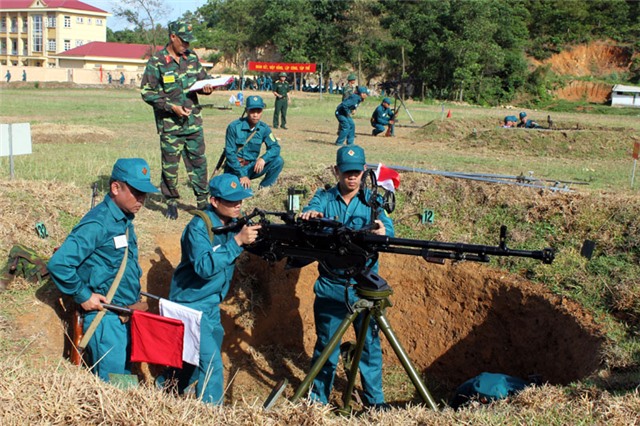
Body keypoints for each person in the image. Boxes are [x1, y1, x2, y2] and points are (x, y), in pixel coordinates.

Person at [47, 158, 159, 382]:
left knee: (125, 381)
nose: (142, 200)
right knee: (115, 390)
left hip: (126, 315)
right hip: (106, 321)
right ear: (116, 188)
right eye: (136, 192)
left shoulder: (124, 219)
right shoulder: (99, 223)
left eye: (144, 194)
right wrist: (83, 295)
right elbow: (59, 263)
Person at [300, 145, 393, 409]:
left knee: (370, 349)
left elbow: (390, 231)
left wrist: (383, 231)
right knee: (326, 349)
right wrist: (311, 216)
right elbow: (310, 210)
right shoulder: (324, 198)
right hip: (331, 286)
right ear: (336, 171)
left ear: (364, 172)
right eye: (346, 172)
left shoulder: (373, 202)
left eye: (356, 172)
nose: (351, 178)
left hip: (363, 287)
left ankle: (375, 401)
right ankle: (317, 403)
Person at [168, 173, 260, 404]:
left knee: (193, 362)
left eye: (240, 199)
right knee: (211, 365)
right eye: (231, 201)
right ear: (214, 201)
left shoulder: (231, 223)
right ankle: (209, 414)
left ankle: (166, 391)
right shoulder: (199, 227)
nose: (238, 204)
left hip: (210, 303)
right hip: (190, 304)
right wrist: (237, 241)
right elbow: (204, 267)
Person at [141, 20, 214, 220]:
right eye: (183, 41)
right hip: (170, 125)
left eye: (189, 42)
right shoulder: (157, 62)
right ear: (172, 37)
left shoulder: (192, 58)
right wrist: (171, 107)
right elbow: (147, 92)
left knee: (199, 163)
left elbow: (202, 80)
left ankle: (202, 202)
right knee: (170, 167)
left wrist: (208, 87)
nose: (187, 45)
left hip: (193, 122)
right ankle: (171, 201)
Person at [223, 95, 284, 189]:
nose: (255, 115)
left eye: (258, 111)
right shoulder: (234, 127)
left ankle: (264, 189)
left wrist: (263, 159)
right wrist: (242, 175)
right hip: (235, 168)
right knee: (236, 194)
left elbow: (275, 147)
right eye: (252, 111)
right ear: (246, 110)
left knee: (278, 161)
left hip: (252, 167)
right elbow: (230, 153)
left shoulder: (264, 128)